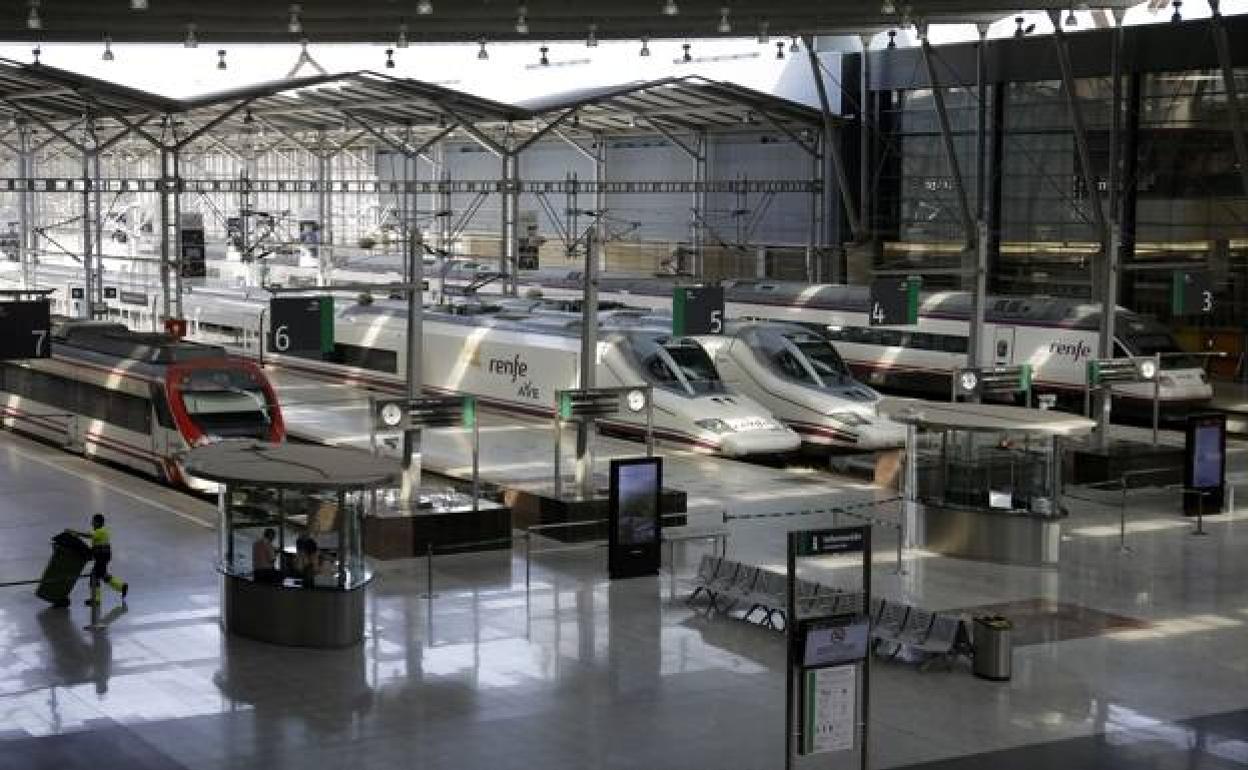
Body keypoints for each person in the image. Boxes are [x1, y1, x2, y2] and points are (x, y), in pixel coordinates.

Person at [71, 513, 128, 607]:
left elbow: (89, 535)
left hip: (102, 557)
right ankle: (121, 587)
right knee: (102, 575)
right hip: (103, 557)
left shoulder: (100, 531)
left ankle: (96, 599)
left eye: (93, 521)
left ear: (97, 522)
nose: (92, 523)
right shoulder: (102, 531)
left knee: (94, 576)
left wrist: (77, 533)